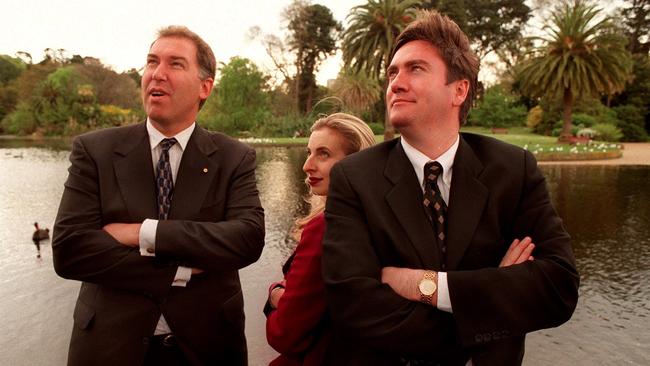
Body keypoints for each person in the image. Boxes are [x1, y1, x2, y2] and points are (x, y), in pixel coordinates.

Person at [321, 10, 579, 365]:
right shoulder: (354, 178)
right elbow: (354, 305)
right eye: (393, 72)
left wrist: (426, 286)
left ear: (459, 90)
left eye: (415, 68)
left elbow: (558, 288)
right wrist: (493, 297)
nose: (395, 82)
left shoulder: (513, 170)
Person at [52, 26, 264, 366]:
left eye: (175, 64)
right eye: (152, 62)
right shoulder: (95, 150)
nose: (157, 74)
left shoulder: (234, 157)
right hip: (110, 346)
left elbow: (246, 239)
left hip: (208, 345)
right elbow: (70, 250)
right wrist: (178, 270)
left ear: (205, 87)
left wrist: (143, 233)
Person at [264, 113, 375, 366]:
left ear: (355, 162)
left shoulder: (326, 228)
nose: (307, 165)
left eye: (323, 154)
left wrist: (276, 293)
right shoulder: (378, 220)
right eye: (309, 152)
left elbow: (285, 334)